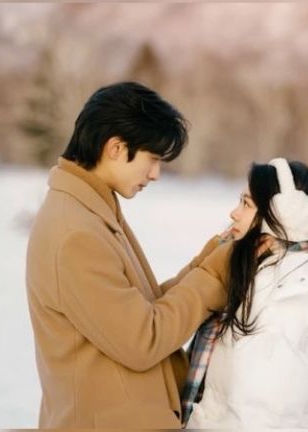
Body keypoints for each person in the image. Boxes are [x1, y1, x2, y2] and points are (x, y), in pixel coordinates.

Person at [25, 82, 231, 429]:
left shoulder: (91, 211)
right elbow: (142, 339)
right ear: (116, 148)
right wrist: (213, 278)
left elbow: (141, 312)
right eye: (153, 158)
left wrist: (208, 262)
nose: (155, 174)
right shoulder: (76, 233)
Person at [184, 158, 308, 428]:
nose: (234, 213)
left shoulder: (284, 300)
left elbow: (258, 416)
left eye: (246, 204)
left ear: (286, 215)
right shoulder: (260, 281)